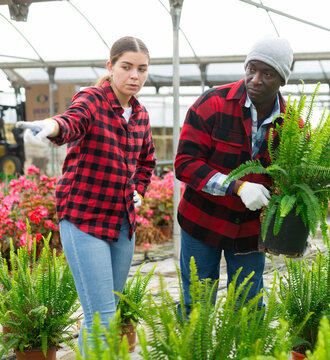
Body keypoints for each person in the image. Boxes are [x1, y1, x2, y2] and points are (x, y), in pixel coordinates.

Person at [19, 36, 156, 351]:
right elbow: (71, 122)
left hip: (122, 222)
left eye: (142, 69)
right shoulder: (91, 100)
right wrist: (50, 127)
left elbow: (147, 161)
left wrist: (139, 190)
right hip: (84, 217)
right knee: (103, 316)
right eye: (127, 67)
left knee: (106, 309)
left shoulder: (141, 115)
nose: (135, 75)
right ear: (111, 67)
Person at [175, 36, 293, 315]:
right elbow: (185, 163)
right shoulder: (212, 104)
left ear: (282, 80)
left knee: (248, 307)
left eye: (267, 73)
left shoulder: (291, 126)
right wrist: (237, 187)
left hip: (250, 232)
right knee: (197, 306)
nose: (255, 79)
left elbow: (295, 179)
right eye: (251, 69)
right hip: (202, 223)